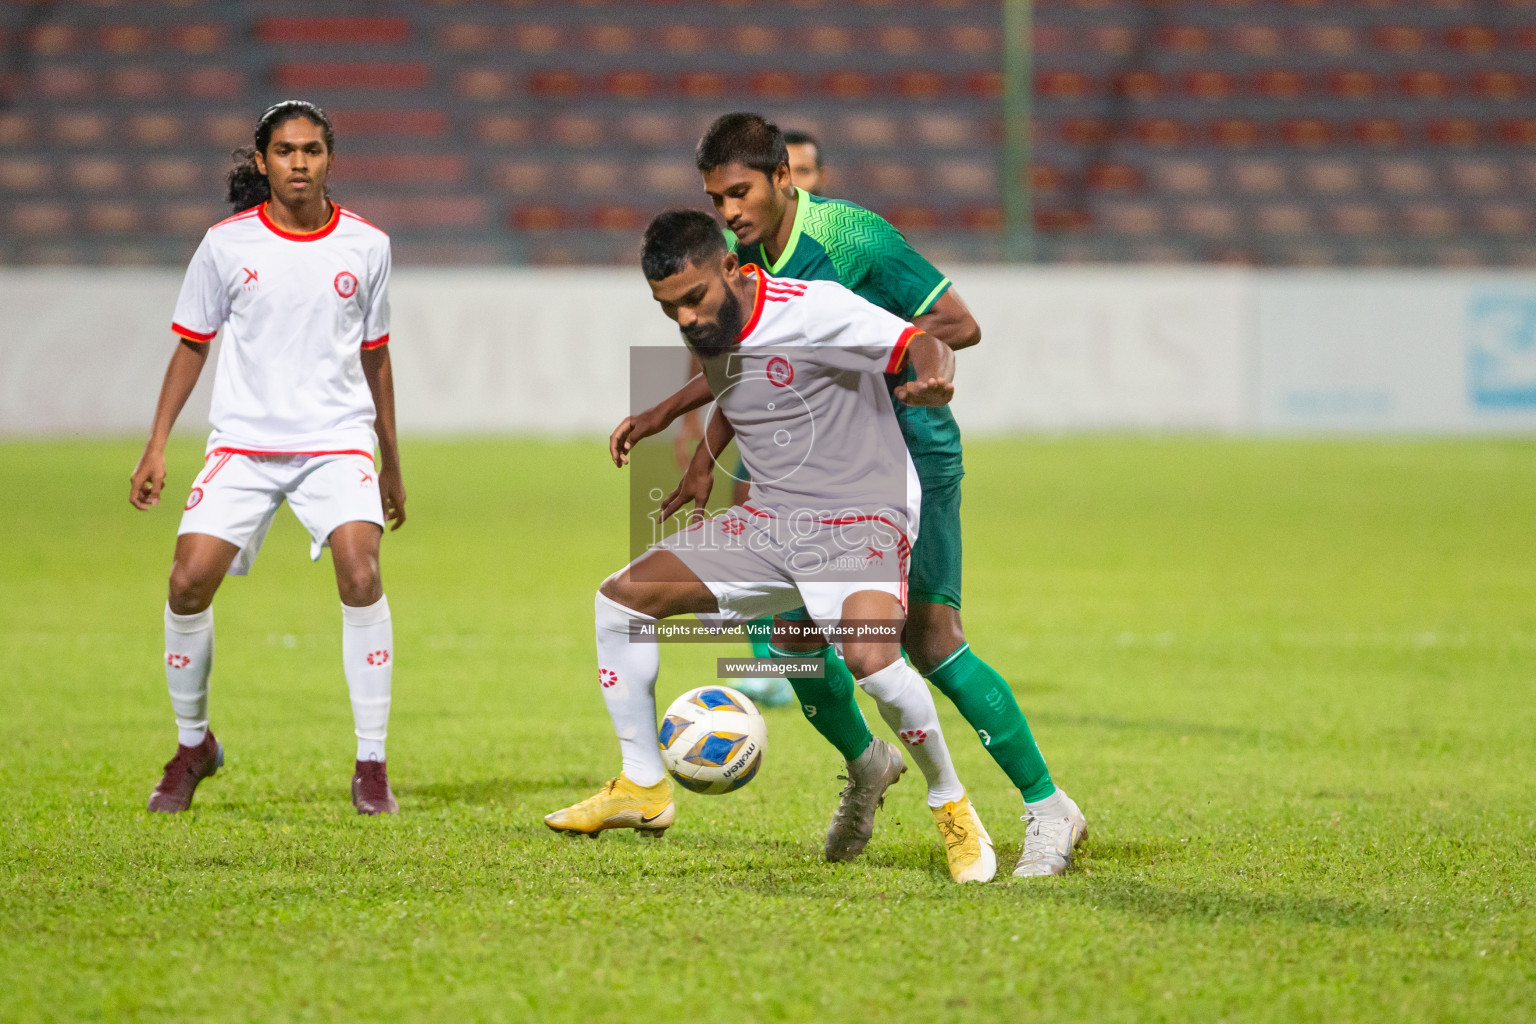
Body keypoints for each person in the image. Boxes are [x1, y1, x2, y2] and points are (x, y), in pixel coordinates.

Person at [610, 113, 1086, 877]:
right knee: (789, 640)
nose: (728, 211)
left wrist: (884, 356)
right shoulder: (737, 263)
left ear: (782, 180)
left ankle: (1047, 809)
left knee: (928, 640)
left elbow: (958, 323)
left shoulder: (853, 239)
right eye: (715, 197)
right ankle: (867, 765)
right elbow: (756, 356)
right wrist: (700, 449)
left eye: (738, 193)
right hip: (808, 474)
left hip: (903, 454)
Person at [550, 210, 996, 884]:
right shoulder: (714, 324)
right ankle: (643, 787)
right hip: (772, 521)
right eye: (667, 307)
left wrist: (934, 377)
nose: (686, 318)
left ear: (731, 268)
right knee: (620, 603)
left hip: (860, 515)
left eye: (694, 298)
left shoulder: (817, 307)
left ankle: (952, 804)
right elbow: (740, 371)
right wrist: (671, 421)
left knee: (872, 658)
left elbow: (917, 343)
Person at [128, 100, 404, 816]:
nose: (300, 163)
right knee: (188, 582)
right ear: (262, 161)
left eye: (312, 150)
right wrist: (157, 444)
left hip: (337, 441)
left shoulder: (367, 246)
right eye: (285, 151)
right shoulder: (226, 245)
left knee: (361, 568)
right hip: (244, 447)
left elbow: (377, 357)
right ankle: (195, 746)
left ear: (330, 159)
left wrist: (392, 461)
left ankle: (370, 764)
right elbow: (193, 342)